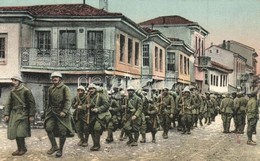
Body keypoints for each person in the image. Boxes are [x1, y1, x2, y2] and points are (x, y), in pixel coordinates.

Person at [43, 72, 74, 157]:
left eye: (56, 77)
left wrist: (64, 111)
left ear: (60, 79)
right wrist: (46, 111)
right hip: (52, 112)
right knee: (48, 128)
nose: (55, 79)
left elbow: (68, 101)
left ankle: (60, 150)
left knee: (62, 131)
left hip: (62, 113)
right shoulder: (50, 88)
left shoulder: (65, 88)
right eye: (53, 77)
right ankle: (54, 146)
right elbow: (48, 102)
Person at [3, 75, 36, 156]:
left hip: (23, 113)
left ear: (19, 81)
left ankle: (23, 148)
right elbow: (8, 103)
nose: (13, 82)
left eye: (15, 80)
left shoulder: (26, 91)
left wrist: (31, 115)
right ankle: (19, 149)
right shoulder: (12, 91)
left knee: (20, 132)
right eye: (13, 80)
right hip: (14, 113)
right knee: (15, 132)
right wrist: (6, 114)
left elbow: (32, 104)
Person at [85, 83, 110, 151]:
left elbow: (107, 105)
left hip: (100, 115)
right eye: (90, 89)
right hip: (91, 116)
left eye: (93, 88)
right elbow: (84, 105)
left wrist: (98, 109)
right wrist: (87, 106)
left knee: (96, 128)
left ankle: (97, 145)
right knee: (92, 130)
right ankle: (95, 144)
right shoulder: (88, 96)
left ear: (95, 89)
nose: (91, 90)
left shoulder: (101, 95)